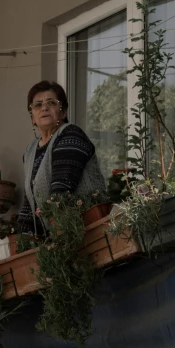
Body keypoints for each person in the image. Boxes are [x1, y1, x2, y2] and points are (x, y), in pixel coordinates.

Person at [16, 81, 105, 237]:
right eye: (37, 105)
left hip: (86, 233)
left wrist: (52, 243)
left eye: (51, 103)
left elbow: (61, 193)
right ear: (32, 118)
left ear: (63, 112)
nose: (44, 108)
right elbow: (29, 202)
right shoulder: (30, 150)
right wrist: (24, 238)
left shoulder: (70, 135)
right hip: (59, 235)